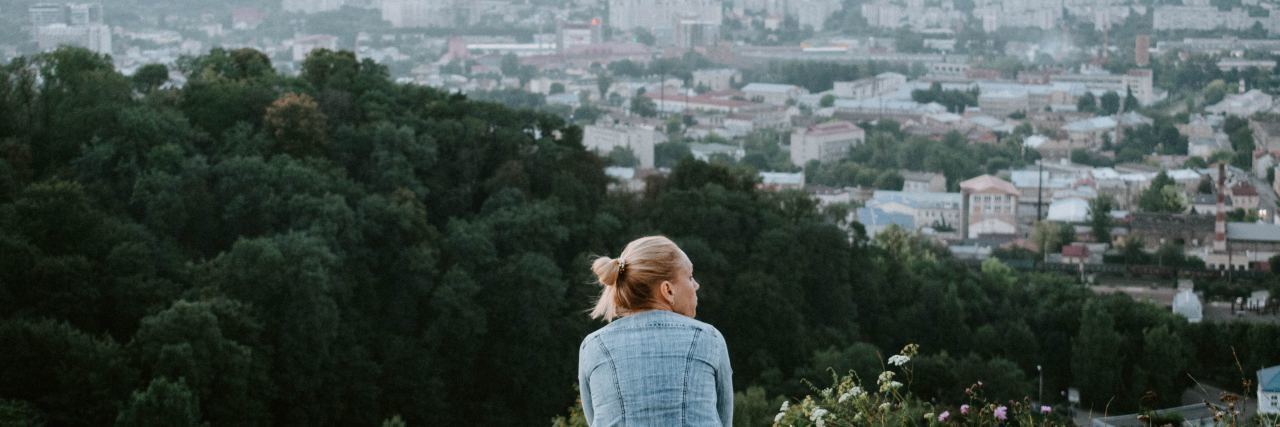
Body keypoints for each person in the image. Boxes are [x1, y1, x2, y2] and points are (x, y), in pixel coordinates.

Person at [577, 236, 733, 426]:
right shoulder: (709, 339)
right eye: (690, 277)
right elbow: (724, 419)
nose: (696, 285)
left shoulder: (593, 346)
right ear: (667, 290)